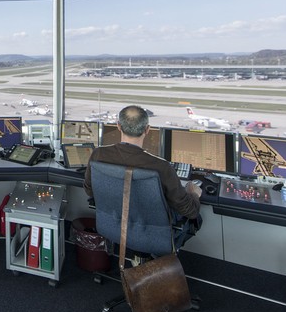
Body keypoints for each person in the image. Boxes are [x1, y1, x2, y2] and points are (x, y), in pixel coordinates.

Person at [83, 105, 202, 247]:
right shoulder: (161, 166)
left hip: (111, 227)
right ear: (147, 129)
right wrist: (194, 193)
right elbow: (190, 211)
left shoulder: (98, 154)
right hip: (153, 235)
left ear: (118, 126)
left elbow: (90, 190)